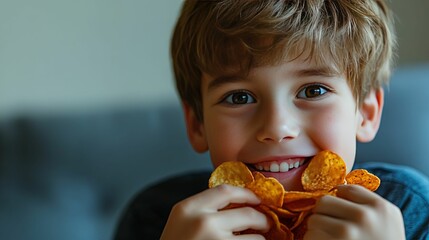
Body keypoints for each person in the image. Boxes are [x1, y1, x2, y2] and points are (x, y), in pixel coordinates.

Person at [114, 0, 429, 239]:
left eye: (313, 90)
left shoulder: (412, 210)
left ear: (366, 112)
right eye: (239, 97)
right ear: (197, 124)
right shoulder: (155, 218)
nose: (277, 128)